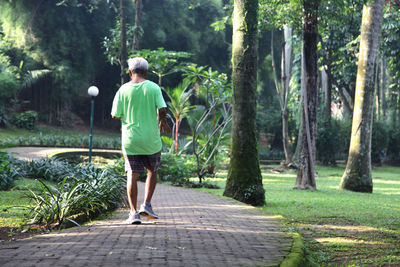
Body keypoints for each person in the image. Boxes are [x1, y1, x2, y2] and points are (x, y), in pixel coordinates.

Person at [111, 57, 171, 224]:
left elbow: (115, 114)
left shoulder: (123, 90)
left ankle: (133, 213)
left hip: (131, 140)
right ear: (146, 72)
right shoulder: (153, 87)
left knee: (132, 174)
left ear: (130, 73)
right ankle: (147, 205)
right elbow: (162, 109)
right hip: (151, 140)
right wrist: (163, 121)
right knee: (152, 171)